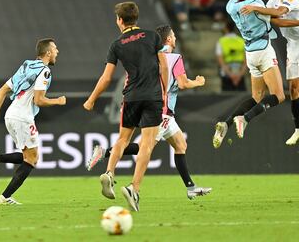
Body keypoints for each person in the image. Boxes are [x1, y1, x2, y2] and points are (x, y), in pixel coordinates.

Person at [86, 25, 212, 200]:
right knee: (146, 146)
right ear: (168, 39)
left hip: (154, 106)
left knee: (180, 145)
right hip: (161, 110)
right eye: (173, 35)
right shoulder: (175, 58)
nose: (175, 38)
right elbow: (183, 83)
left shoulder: (149, 56)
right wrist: (198, 82)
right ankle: (107, 155)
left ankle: (190, 187)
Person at [212, 0, 299, 148]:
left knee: (256, 97)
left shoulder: (231, 5)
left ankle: (226, 123)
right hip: (263, 51)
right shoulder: (257, 3)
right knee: (279, 95)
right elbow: (277, 16)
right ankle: (244, 119)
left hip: (250, 53)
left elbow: (245, 5)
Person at [83, 1, 168, 211]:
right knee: (147, 144)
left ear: (120, 20)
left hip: (131, 97)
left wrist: (91, 99)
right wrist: (164, 91)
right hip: (153, 96)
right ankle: (134, 189)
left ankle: (110, 172)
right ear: (135, 18)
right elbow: (163, 65)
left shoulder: (117, 44)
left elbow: (106, 78)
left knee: (122, 139)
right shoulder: (153, 36)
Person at [239, 0, 299, 146]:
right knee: (292, 89)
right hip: (292, 45)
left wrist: (255, 8)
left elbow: (277, 14)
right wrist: (264, 12)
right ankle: (298, 129)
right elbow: (273, 17)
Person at [0, 38, 66, 204]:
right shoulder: (45, 71)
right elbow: (38, 100)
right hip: (22, 117)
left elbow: (3, 89)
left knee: (29, 156)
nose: (57, 52)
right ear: (48, 52)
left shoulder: (27, 65)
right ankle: (4, 197)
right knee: (32, 159)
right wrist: (58, 101)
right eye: (55, 49)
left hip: (10, 115)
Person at [216, 19, 247, 91]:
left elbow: (221, 61)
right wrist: (239, 75)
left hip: (226, 74)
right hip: (239, 73)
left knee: (227, 98)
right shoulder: (241, 41)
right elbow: (246, 61)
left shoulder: (221, 41)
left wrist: (231, 75)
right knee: (242, 98)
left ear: (226, 28)